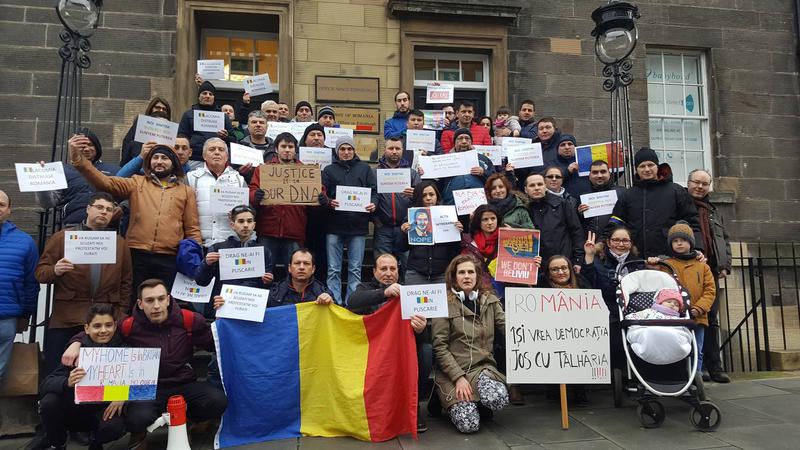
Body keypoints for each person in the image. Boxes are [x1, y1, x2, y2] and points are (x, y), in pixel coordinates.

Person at [61, 279, 227, 450]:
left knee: (218, 400)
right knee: (136, 418)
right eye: (149, 300)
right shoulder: (129, 326)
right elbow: (101, 332)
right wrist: (76, 342)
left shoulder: (189, 320)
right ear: (140, 304)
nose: (156, 305)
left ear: (168, 300)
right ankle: (140, 432)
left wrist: (224, 315)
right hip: (147, 388)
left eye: (161, 299)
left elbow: (214, 344)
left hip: (183, 383)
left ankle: (186, 422)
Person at [69, 140, 202, 294]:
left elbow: (192, 228)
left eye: (164, 158)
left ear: (173, 163)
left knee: (163, 303)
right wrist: (79, 160)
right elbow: (105, 183)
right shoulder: (136, 183)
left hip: (169, 257)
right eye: (155, 157)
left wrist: (196, 261)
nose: (159, 161)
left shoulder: (186, 191)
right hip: (136, 254)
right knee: (134, 299)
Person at [35, 192, 132, 374]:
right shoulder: (62, 238)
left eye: (109, 210)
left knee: (98, 373)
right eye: (99, 207)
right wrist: (55, 270)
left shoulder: (120, 244)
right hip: (67, 316)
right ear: (88, 209)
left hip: (105, 317)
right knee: (58, 369)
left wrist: (122, 311)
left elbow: (126, 281)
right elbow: (40, 273)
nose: (104, 212)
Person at [347, 254, 430, 432]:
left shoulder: (410, 293)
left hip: (400, 351)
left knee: (426, 350)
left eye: (393, 269)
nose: (388, 273)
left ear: (399, 272)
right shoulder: (364, 288)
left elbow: (424, 338)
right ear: (374, 271)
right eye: (383, 269)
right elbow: (352, 302)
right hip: (372, 351)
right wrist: (384, 293)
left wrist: (421, 329)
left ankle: (414, 405)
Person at [431, 255, 508, 433]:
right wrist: (458, 377)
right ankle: (442, 395)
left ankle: (478, 400)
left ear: (477, 276)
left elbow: (509, 327)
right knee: (469, 426)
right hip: (453, 372)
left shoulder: (490, 301)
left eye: (470, 272)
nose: (467, 276)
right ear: (454, 277)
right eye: (462, 272)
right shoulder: (443, 304)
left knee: (497, 398)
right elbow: (440, 347)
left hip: (482, 369)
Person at [36, 304, 126, 450]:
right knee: (49, 403)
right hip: (75, 410)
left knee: (114, 426)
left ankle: (96, 442)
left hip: (104, 411)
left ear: (115, 326)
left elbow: (138, 382)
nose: (103, 330)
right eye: (97, 326)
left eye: (108, 325)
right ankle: (58, 443)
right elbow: (46, 384)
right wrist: (67, 382)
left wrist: (123, 395)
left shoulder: (125, 350)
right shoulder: (76, 352)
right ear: (86, 328)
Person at [606, 147, 703, 257]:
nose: (647, 169)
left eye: (650, 165)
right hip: (636, 258)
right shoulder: (628, 195)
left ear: (657, 167)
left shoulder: (676, 191)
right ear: (636, 169)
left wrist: (698, 248)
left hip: (671, 257)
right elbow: (616, 223)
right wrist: (602, 244)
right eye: (642, 166)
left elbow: (692, 222)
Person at [647, 222, 716, 374]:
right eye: (675, 241)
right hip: (673, 316)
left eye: (683, 240)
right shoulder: (666, 265)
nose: (679, 243)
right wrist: (653, 267)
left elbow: (710, 290)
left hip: (697, 317)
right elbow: (658, 287)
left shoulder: (702, 266)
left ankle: (695, 382)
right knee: (676, 351)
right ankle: (680, 380)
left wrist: (699, 308)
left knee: (697, 350)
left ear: (691, 243)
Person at [319, 136, 377, 305]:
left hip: (358, 227)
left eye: (349, 149)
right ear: (337, 151)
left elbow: (374, 191)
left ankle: (353, 302)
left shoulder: (365, 169)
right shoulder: (329, 170)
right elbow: (323, 194)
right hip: (334, 225)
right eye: (342, 149)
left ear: (354, 150)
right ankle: (335, 302)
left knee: (355, 269)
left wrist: (374, 204)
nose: (346, 152)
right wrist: (330, 202)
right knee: (333, 269)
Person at [687, 169, 732, 383]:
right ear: (688, 183)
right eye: (696, 182)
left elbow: (725, 240)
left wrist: (725, 264)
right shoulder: (683, 207)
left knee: (711, 320)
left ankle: (715, 368)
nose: (700, 187)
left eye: (704, 184)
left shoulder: (713, 210)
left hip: (711, 271)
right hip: (689, 270)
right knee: (693, 319)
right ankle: (698, 368)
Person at [540, 247, 598, 405]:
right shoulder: (542, 286)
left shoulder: (581, 283)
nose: (560, 272)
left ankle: (580, 389)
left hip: (579, 333)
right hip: (550, 334)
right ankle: (555, 388)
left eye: (564, 268)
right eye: (555, 269)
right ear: (548, 272)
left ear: (570, 269)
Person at [250, 132, 314, 266]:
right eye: (283, 146)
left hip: (294, 231)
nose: (287, 150)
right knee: (263, 272)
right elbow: (252, 191)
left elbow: (317, 195)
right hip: (267, 230)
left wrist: (321, 198)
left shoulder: (306, 172)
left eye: (290, 147)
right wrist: (256, 196)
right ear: (276, 149)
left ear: (295, 150)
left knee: (295, 273)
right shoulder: (263, 170)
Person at [197, 205, 274, 312]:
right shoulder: (217, 248)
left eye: (249, 221)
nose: (246, 225)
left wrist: (267, 281)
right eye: (241, 221)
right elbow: (201, 281)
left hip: (251, 305)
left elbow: (265, 288)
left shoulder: (264, 251)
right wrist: (206, 264)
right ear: (232, 225)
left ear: (254, 225)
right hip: (222, 305)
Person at [36, 129, 120, 227]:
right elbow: (47, 203)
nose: (87, 149)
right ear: (73, 148)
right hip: (73, 225)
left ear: (97, 147)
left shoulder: (115, 170)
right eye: (82, 146)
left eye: (90, 145)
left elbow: (129, 193)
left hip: (107, 226)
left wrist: (121, 207)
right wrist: (41, 182)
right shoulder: (61, 170)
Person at [588, 226, 643, 369]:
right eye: (616, 240)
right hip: (609, 312)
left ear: (631, 244)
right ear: (608, 242)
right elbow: (588, 282)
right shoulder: (598, 263)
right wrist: (588, 256)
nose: (620, 244)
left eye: (625, 240)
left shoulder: (639, 264)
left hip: (635, 313)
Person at [0, 190, 39, 385]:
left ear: (9, 210)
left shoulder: (25, 242)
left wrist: (26, 315)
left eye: (1, 205)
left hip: (6, 319)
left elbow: (31, 283)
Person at [186, 137, 248, 247]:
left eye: (221, 149)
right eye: (212, 149)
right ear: (204, 156)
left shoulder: (239, 180)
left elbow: (246, 213)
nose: (217, 152)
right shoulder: (191, 178)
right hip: (200, 244)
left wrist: (236, 214)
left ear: (227, 157)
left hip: (230, 243)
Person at [400, 181, 462, 285]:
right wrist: (403, 233)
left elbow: (456, 248)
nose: (428, 198)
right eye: (424, 195)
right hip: (416, 273)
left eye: (432, 194)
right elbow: (401, 247)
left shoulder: (449, 216)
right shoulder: (410, 217)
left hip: (442, 273)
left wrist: (458, 232)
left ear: (437, 196)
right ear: (419, 197)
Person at [373, 136, 419, 270]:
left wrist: (415, 194)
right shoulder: (375, 172)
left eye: (397, 148)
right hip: (383, 228)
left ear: (402, 150)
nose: (394, 151)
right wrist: (374, 218)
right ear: (385, 150)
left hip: (405, 228)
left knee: (408, 266)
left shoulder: (412, 174)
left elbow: (422, 199)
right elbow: (370, 195)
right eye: (391, 148)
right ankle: (382, 292)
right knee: (383, 267)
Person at [524, 173, 585, 269]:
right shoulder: (524, 211)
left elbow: (576, 232)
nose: (536, 188)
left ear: (545, 186)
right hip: (539, 267)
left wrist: (578, 260)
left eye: (540, 184)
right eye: (532, 185)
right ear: (526, 190)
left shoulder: (562, 204)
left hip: (565, 264)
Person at [177, 80, 234, 168]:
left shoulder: (223, 117)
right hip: (195, 159)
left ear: (214, 97)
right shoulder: (188, 114)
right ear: (199, 97)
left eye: (210, 94)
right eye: (204, 93)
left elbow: (233, 140)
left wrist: (225, 137)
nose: (207, 96)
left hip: (217, 161)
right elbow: (181, 136)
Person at [440, 128, 495, 205]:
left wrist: (484, 172)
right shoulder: (445, 159)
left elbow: (495, 178)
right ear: (454, 143)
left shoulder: (483, 159)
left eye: (467, 138)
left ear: (471, 142)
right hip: (452, 202)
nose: (464, 141)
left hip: (478, 202)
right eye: (460, 138)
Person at [266, 249, 334, 307]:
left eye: (306, 263)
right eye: (297, 263)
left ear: (313, 269)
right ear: (289, 268)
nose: (301, 267)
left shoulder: (324, 294)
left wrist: (331, 304)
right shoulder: (274, 295)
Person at [578, 160, 625, 236]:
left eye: (603, 172)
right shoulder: (583, 197)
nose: (599, 175)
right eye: (595, 172)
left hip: (617, 242)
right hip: (591, 243)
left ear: (609, 174)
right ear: (589, 176)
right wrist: (580, 214)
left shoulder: (622, 193)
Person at [120, 97, 171, 166]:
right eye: (157, 108)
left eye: (164, 109)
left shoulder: (171, 130)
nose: (161, 110)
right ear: (151, 109)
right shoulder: (139, 124)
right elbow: (127, 143)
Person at [116, 135, 193, 179]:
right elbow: (119, 178)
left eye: (184, 148)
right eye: (176, 147)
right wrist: (141, 157)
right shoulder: (149, 171)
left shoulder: (193, 176)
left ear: (190, 153)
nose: (180, 152)